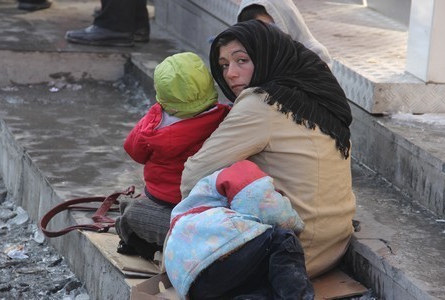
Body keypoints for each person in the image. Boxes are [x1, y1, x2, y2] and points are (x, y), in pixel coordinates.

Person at [181, 20, 356, 279]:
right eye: (224, 65)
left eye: (241, 60)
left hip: (285, 254)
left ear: (265, 56)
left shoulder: (262, 104)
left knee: (142, 215)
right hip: (331, 246)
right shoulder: (312, 94)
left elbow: (190, 178)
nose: (230, 74)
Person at [114, 52, 230, 258]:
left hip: (162, 199)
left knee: (130, 212)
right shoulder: (225, 117)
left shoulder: (155, 124)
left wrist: (154, 114)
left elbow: (134, 150)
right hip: (205, 203)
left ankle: (135, 242)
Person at [165, 160, 314, 299]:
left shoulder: (196, 200)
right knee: (283, 240)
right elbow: (266, 205)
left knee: (263, 281)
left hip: (191, 284)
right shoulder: (241, 170)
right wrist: (296, 225)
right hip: (212, 254)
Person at [237, 0, 333, 68]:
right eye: (255, 32)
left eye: (268, 29)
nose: (264, 37)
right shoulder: (249, 58)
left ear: (284, 22)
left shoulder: (314, 56)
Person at [65, 0, 150, 47]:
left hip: (116, 24)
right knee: (134, 22)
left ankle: (115, 24)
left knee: (116, 23)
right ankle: (135, 22)